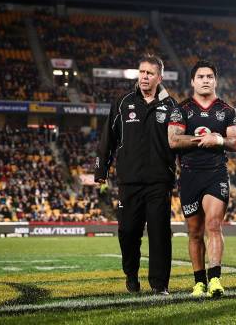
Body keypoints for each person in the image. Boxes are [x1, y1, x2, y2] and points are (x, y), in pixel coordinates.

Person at [94, 55, 177, 295]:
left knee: (160, 234)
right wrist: (102, 168)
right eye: (141, 72)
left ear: (159, 78)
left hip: (160, 182)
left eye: (150, 73)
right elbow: (107, 138)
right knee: (128, 231)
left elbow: (178, 142)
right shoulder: (122, 103)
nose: (144, 77)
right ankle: (131, 275)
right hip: (129, 182)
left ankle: (159, 284)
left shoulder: (171, 106)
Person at [168, 60, 236, 298]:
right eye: (201, 77)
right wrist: (203, 140)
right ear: (192, 81)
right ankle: (199, 282)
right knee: (195, 232)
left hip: (215, 173)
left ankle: (215, 280)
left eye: (210, 76)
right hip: (189, 174)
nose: (206, 80)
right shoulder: (181, 109)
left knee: (213, 225)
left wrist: (218, 140)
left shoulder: (227, 110)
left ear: (215, 80)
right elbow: (173, 141)